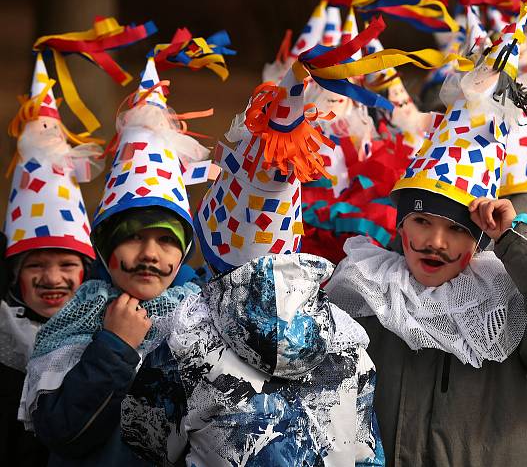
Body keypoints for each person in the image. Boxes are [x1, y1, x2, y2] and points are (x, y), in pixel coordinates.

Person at [325, 5, 527, 467]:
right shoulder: (366, 293)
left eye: (455, 230)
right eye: (422, 222)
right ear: (400, 225)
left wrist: (514, 243)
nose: (435, 243)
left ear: (479, 240)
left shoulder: (500, 301)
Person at [120, 38, 400, 466]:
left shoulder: (182, 334)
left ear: (210, 244)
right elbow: (367, 454)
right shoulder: (348, 337)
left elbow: (146, 442)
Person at [18, 57, 210, 466]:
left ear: (184, 251)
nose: (150, 255)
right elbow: (61, 432)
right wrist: (115, 346)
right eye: (133, 238)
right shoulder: (78, 315)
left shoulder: (205, 316)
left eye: (165, 240)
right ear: (105, 247)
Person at [1, 55, 103, 467]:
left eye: (66, 264)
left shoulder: (103, 331)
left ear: (87, 271)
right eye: (35, 266)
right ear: (14, 276)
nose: (51, 278)